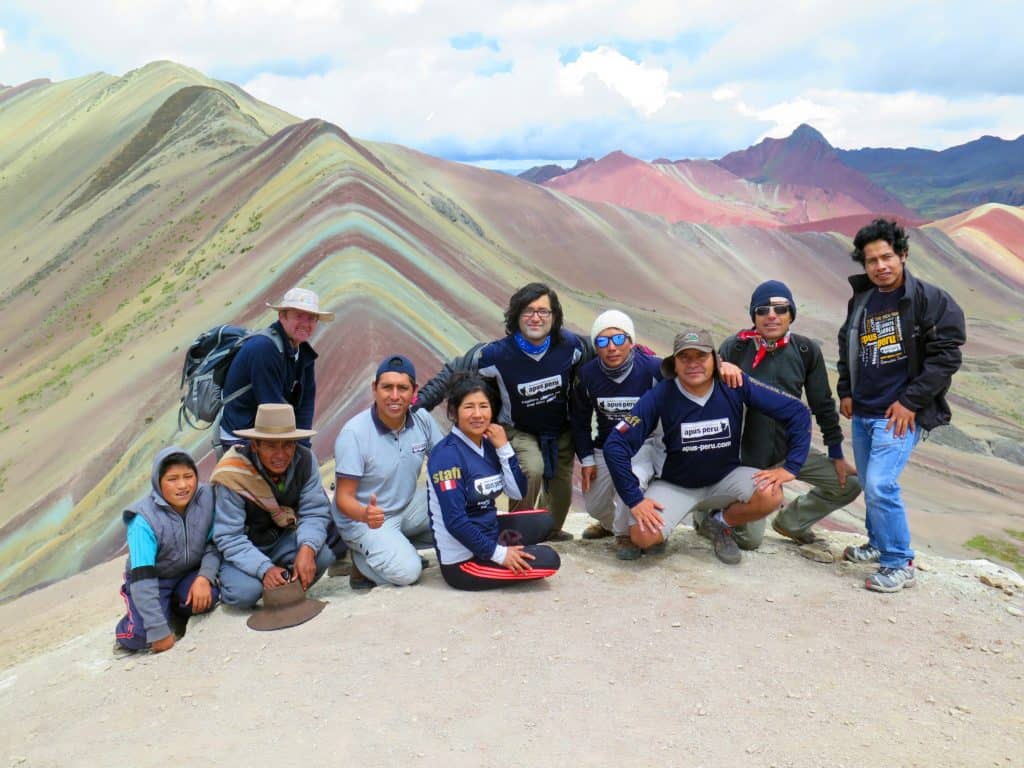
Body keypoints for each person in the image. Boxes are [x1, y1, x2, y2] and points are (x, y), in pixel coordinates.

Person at [604, 329, 811, 565]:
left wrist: (791, 467)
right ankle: (665, 525)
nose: (693, 364)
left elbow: (798, 412)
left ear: (715, 359)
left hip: (725, 478)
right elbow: (616, 444)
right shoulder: (661, 395)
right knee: (642, 537)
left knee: (771, 494)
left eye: (701, 357)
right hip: (675, 484)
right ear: (675, 364)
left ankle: (719, 523)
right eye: (685, 358)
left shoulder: (734, 384)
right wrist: (635, 500)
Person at [837, 219, 966, 593]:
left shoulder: (930, 300)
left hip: (899, 415)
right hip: (864, 410)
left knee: (880, 484)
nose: (880, 266)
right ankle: (877, 543)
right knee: (869, 482)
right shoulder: (861, 300)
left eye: (887, 256)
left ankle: (899, 562)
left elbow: (946, 358)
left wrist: (910, 402)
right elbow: (848, 345)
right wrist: (846, 388)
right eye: (872, 260)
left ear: (903, 255)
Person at [416, 283, 590, 541]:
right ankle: (517, 534)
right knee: (532, 469)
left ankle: (549, 531)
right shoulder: (496, 354)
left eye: (543, 311)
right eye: (528, 311)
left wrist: (640, 356)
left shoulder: (571, 347)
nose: (536, 317)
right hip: (518, 429)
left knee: (561, 486)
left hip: (560, 430)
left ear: (554, 317)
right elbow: (453, 371)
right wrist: (418, 403)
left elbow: (606, 353)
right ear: (516, 316)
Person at [717, 280, 861, 549]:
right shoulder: (734, 349)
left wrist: (836, 452)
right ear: (754, 316)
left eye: (780, 309)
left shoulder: (806, 350)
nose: (771, 316)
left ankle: (791, 522)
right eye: (762, 310)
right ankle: (708, 517)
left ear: (791, 314)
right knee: (749, 540)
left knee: (850, 483)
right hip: (747, 459)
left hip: (791, 451)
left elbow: (822, 404)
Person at [427, 374, 561, 590]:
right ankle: (495, 554)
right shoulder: (446, 456)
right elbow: (455, 522)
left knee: (544, 521)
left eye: (484, 406)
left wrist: (504, 448)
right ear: (453, 412)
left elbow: (518, 493)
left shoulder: (489, 444)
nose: (478, 414)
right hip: (463, 560)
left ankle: (500, 547)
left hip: (487, 530)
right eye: (469, 407)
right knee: (550, 559)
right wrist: (500, 555)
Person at [333, 355, 444, 588]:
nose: (394, 396)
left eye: (402, 388)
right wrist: (365, 514)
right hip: (365, 518)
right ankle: (362, 563)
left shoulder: (421, 419)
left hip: (406, 506)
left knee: (459, 516)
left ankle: (394, 546)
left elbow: (445, 462)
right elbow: (343, 498)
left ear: (414, 391)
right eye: (387, 387)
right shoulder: (354, 433)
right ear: (374, 389)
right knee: (408, 572)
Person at [212, 403, 335, 608]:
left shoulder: (305, 460)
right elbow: (229, 536)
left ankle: (283, 578)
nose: (280, 454)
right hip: (245, 547)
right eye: (271, 446)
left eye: (287, 445)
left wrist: (306, 549)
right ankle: (266, 578)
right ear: (255, 445)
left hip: (282, 541)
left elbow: (314, 512)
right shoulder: (233, 472)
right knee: (244, 594)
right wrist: (264, 569)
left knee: (321, 557)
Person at [571, 310, 663, 559]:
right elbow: (579, 421)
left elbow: (690, 374)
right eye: (602, 341)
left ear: (631, 341)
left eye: (619, 339)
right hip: (605, 445)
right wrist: (587, 459)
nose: (611, 347)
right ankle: (611, 525)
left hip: (642, 445)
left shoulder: (653, 369)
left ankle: (625, 535)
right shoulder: (587, 375)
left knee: (630, 482)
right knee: (593, 504)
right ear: (596, 347)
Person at [115, 447, 220, 653]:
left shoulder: (207, 497)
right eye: (172, 479)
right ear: (158, 482)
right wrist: (158, 631)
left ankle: (172, 607)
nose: (182, 485)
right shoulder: (142, 519)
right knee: (143, 637)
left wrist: (204, 577)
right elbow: (143, 578)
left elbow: (214, 543)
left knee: (209, 597)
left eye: (188, 476)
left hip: (189, 572)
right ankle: (126, 628)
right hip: (154, 579)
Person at [217, 287, 334, 454]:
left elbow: (305, 406)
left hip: (272, 435)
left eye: (311, 318)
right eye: (298, 316)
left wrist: (302, 447)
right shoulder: (264, 349)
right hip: (241, 437)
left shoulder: (304, 354)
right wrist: (294, 450)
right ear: (282, 316)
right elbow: (271, 406)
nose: (305, 324)